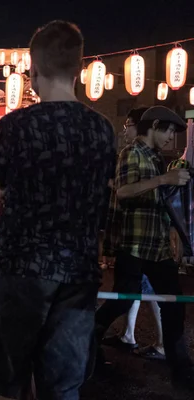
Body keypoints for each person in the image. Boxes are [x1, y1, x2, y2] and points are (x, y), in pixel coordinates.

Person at [0, 21, 117, 400]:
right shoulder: (102, 129)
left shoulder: (14, 127)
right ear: (80, 69)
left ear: (33, 71)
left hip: (23, 267)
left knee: (8, 378)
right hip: (79, 272)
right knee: (64, 384)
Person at [94, 106, 194, 390]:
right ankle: (89, 345)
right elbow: (124, 191)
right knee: (123, 300)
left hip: (155, 244)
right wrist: (164, 180)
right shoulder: (132, 153)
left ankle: (181, 369)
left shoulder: (154, 157)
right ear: (156, 126)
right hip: (135, 244)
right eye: (169, 132)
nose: (171, 139)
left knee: (172, 307)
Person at [100, 107, 165, 361]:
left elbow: (124, 193)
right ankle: (129, 335)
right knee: (138, 291)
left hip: (138, 238)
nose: (125, 129)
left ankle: (162, 344)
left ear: (141, 126)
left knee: (143, 292)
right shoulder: (146, 156)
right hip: (140, 239)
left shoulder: (136, 155)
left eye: (128, 124)